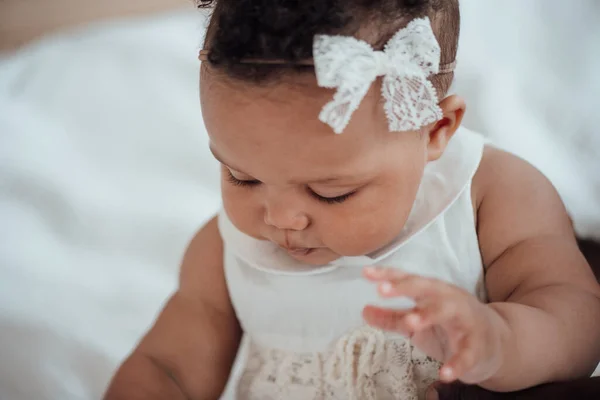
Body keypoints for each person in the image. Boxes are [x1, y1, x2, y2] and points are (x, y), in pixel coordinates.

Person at [104, 0, 600, 399]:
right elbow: (168, 368)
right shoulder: (226, 251)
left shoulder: (492, 197)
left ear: (434, 130)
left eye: (330, 193)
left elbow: (577, 319)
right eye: (241, 177)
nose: (280, 220)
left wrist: (501, 341)